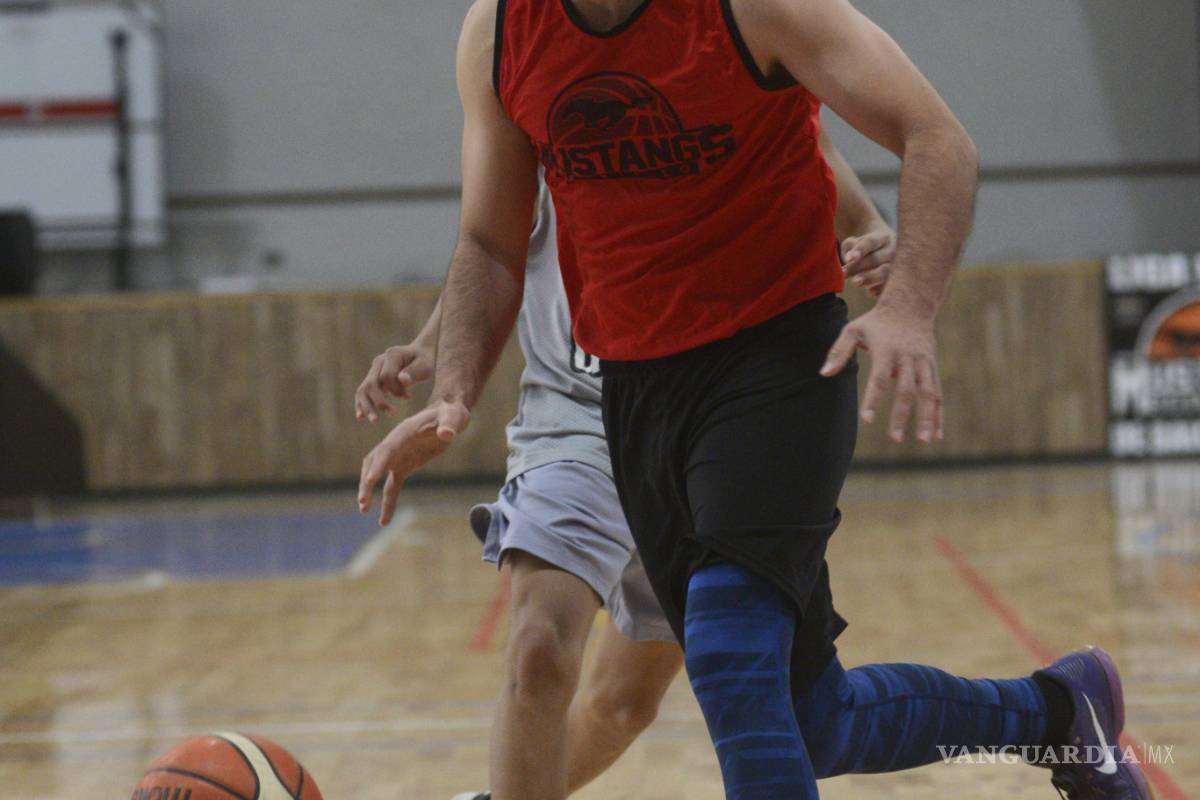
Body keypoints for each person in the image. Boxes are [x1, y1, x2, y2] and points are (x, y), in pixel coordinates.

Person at [358, 1, 1152, 798]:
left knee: (730, 653)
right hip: (633, 389)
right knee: (815, 722)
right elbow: (491, 240)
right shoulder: (499, 31)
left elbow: (936, 136)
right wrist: (453, 391)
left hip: (774, 357)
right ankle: (1058, 714)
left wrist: (909, 303)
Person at [356, 133, 898, 800]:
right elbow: (493, 238)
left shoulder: (721, 78)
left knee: (623, 704)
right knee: (539, 646)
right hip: (574, 415)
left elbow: (807, 144)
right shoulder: (525, 82)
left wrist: (870, 226)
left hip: (693, 416)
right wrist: (431, 346)